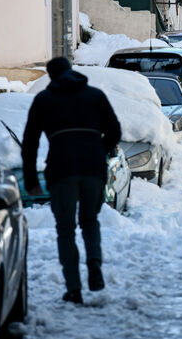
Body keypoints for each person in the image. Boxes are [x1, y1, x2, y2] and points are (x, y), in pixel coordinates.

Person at [22, 57, 121, 304]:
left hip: (61, 169)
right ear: (71, 71)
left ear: (51, 76)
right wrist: (101, 150)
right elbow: (115, 131)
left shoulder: (43, 100)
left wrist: (31, 179)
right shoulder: (95, 95)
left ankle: (73, 288)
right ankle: (95, 264)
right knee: (90, 221)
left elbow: (30, 142)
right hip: (93, 168)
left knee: (65, 230)